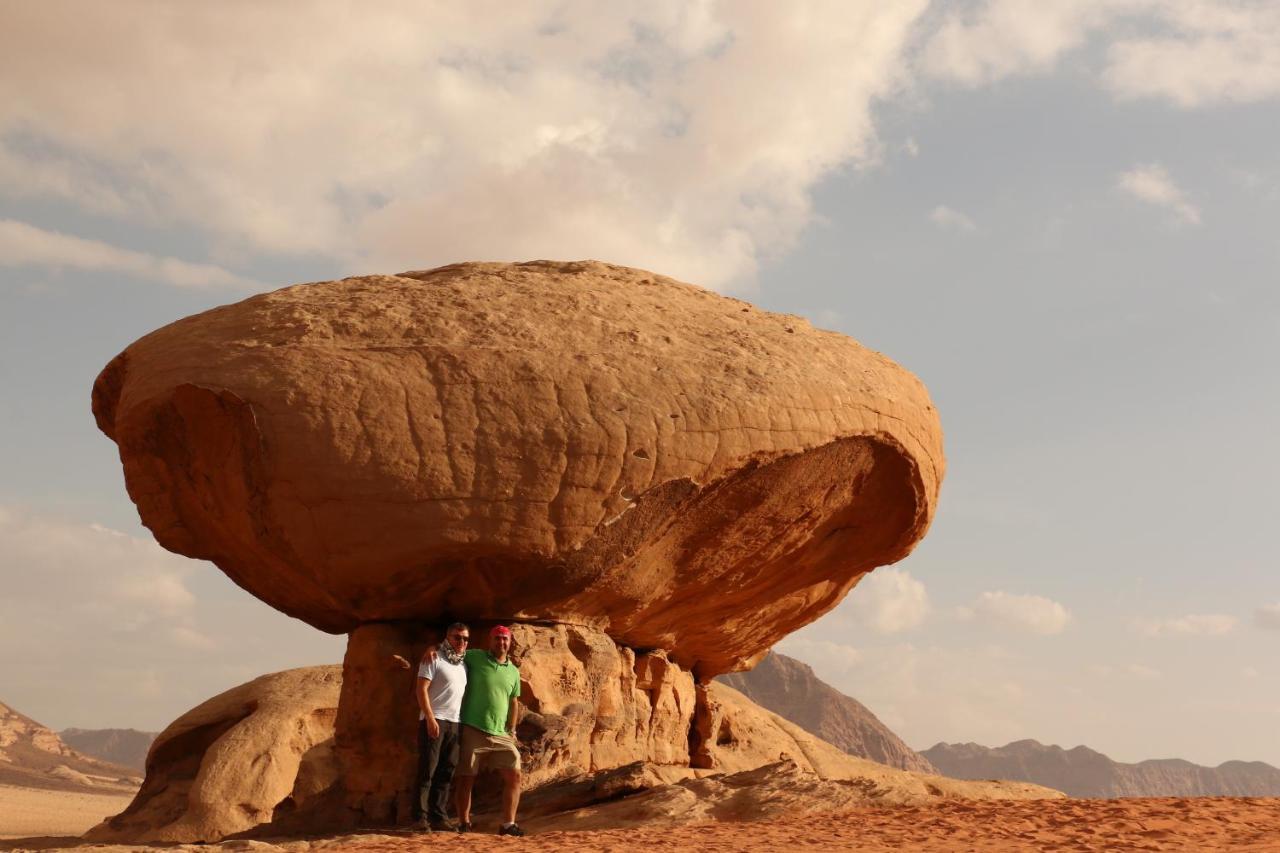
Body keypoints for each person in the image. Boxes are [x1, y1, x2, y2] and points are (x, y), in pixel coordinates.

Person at [454, 625, 524, 836]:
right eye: (497, 638)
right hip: (473, 728)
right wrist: (432, 650)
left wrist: (512, 730)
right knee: (466, 777)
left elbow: (514, 702)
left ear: (510, 643)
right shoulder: (475, 657)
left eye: (504, 639)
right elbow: (453, 652)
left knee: (515, 775)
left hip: (501, 734)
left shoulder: (513, 671)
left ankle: (508, 825)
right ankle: (464, 823)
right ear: (489, 640)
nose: (501, 642)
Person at [414, 622, 469, 831]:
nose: (461, 642)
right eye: (457, 637)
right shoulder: (434, 658)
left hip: (455, 723)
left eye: (465, 639)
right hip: (434, 719)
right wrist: (429, 718)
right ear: (447, 638)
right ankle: (420, 818)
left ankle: (439, 816)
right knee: (427, 770)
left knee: (447, 771)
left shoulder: (463, 663)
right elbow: (421, 689)